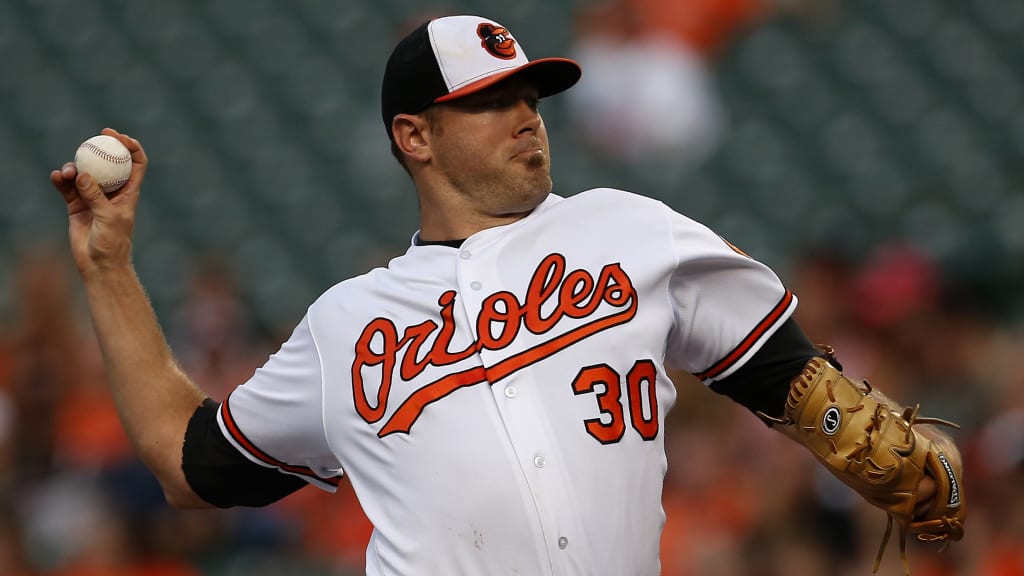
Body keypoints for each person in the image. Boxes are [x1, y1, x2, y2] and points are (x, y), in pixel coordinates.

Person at [50, 14, 963, 576]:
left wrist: (871, 431)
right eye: (491, 102)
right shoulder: (349, 323)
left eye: (530, 94)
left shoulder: (629, 228)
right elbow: (188, 463)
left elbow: (788, 376)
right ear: (414, 135)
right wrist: (108, 267)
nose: (527, 114)